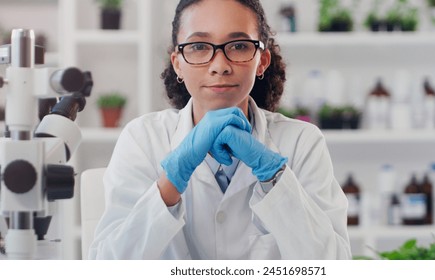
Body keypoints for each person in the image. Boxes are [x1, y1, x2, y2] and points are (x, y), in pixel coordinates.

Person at [89, 0, 351, 260]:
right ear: (178, 63)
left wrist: (275, 178)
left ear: (262, 61)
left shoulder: (302, 142)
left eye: (238, 46)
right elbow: (107, 265)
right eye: (199, 47)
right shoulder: (143, 139)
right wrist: (171, 180)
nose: (220, 65)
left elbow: (336, 265)